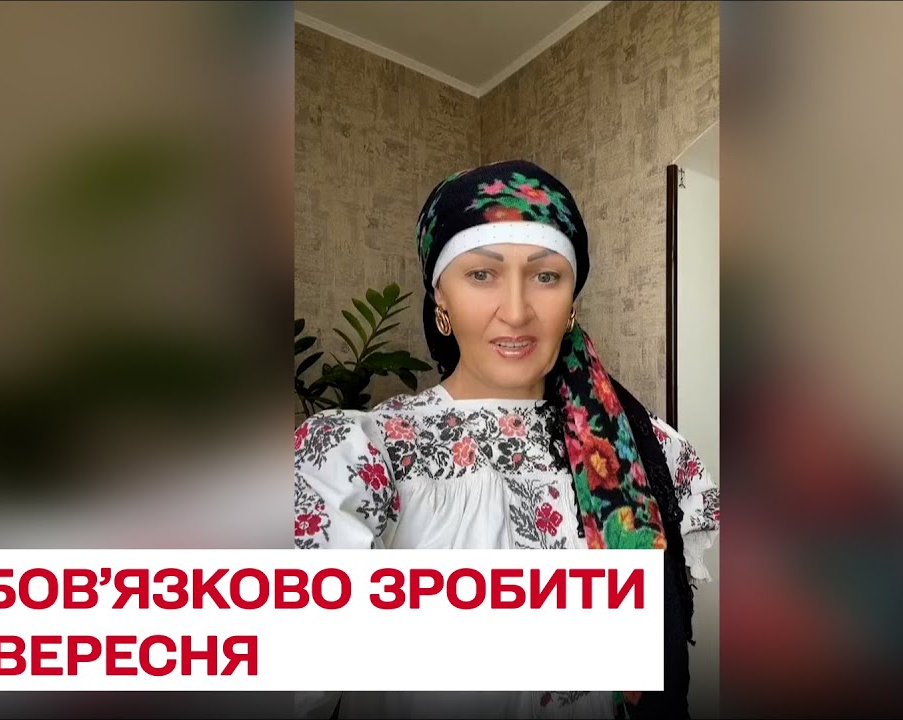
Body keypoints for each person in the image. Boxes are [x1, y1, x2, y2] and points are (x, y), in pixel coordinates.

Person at [293, 160, 719, 719]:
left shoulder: (644, 450)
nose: (516, 313)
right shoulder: (363, 457)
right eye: (481, 274)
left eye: (546, 276)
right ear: (440, 298)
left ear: (571, 301)